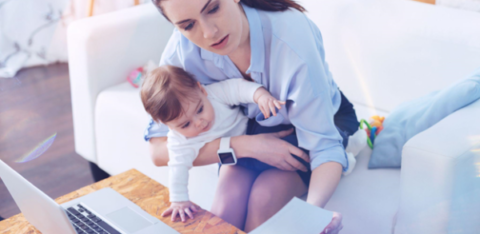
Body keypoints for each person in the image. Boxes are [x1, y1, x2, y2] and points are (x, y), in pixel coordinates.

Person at [145, 0, 361, 233]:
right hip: (248, 129)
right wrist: (243, 146)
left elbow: (324, 146)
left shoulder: (292, 38)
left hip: (313, 120)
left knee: (264, 198)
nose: (209, 33)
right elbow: (159, 151)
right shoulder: (181, 51)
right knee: (225, 208)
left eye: (213, 8)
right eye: (188, 25)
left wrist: (311, 215)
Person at [140, 65, 286, 222]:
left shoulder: (213, 94)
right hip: (235, 158)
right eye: (185, 125)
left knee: (282, 139)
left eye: (200, 109)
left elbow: (237, 88)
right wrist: (179, 201)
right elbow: (177, 170)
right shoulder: (179, 141)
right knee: (225, 213)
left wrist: (260, 96)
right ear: (168, 125)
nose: (199, 122)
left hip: (253, 129)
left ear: (201, 90)